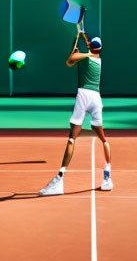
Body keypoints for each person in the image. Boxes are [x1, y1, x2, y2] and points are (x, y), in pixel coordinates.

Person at [39, 29, 112, 196]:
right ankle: (107, 178)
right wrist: (77, 40)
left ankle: (59, 180)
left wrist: (77, 44)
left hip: (84, 95)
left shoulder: (86, 58)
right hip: (96, 98)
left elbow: (69, 60)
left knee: (72, 138)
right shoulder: (97, 59)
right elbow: (73, 59)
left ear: (90, 47)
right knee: (103, 139)